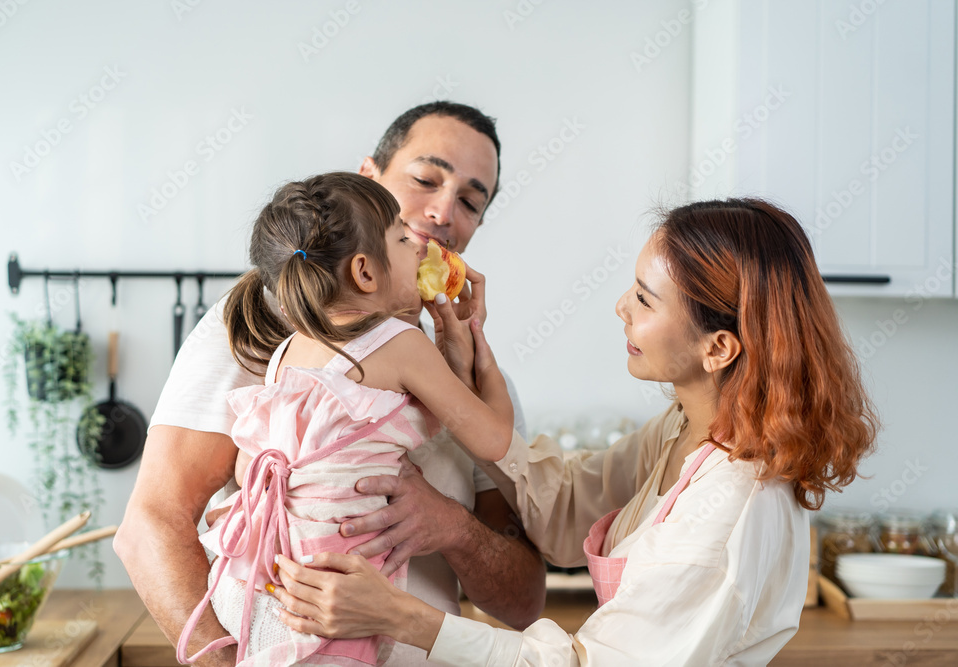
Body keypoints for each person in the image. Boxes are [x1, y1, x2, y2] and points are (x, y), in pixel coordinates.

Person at [266, 198, 879, 665]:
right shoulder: (683, 429)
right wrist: (473, 371)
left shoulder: (733, 506)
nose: (620, 307)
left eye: (644, 299)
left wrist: (400, 615)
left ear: (717, 347)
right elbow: (566, 507)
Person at [115, 102, 546, 667]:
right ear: (366, 180)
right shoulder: (252, 325)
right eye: (424, 179)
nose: (442, 212)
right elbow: (150, 526)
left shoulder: (465, 373)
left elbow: (525, 602)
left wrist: (451, 526)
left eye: (469, 201)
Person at [175, 173, 514, 666]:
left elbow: (252, 467)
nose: (420, 247)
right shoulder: (402, 344)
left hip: (261, 579)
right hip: (339, 586)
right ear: (364, 272)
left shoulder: (286, 352)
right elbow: (492, 439)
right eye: (402, 238)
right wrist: (480, 352)